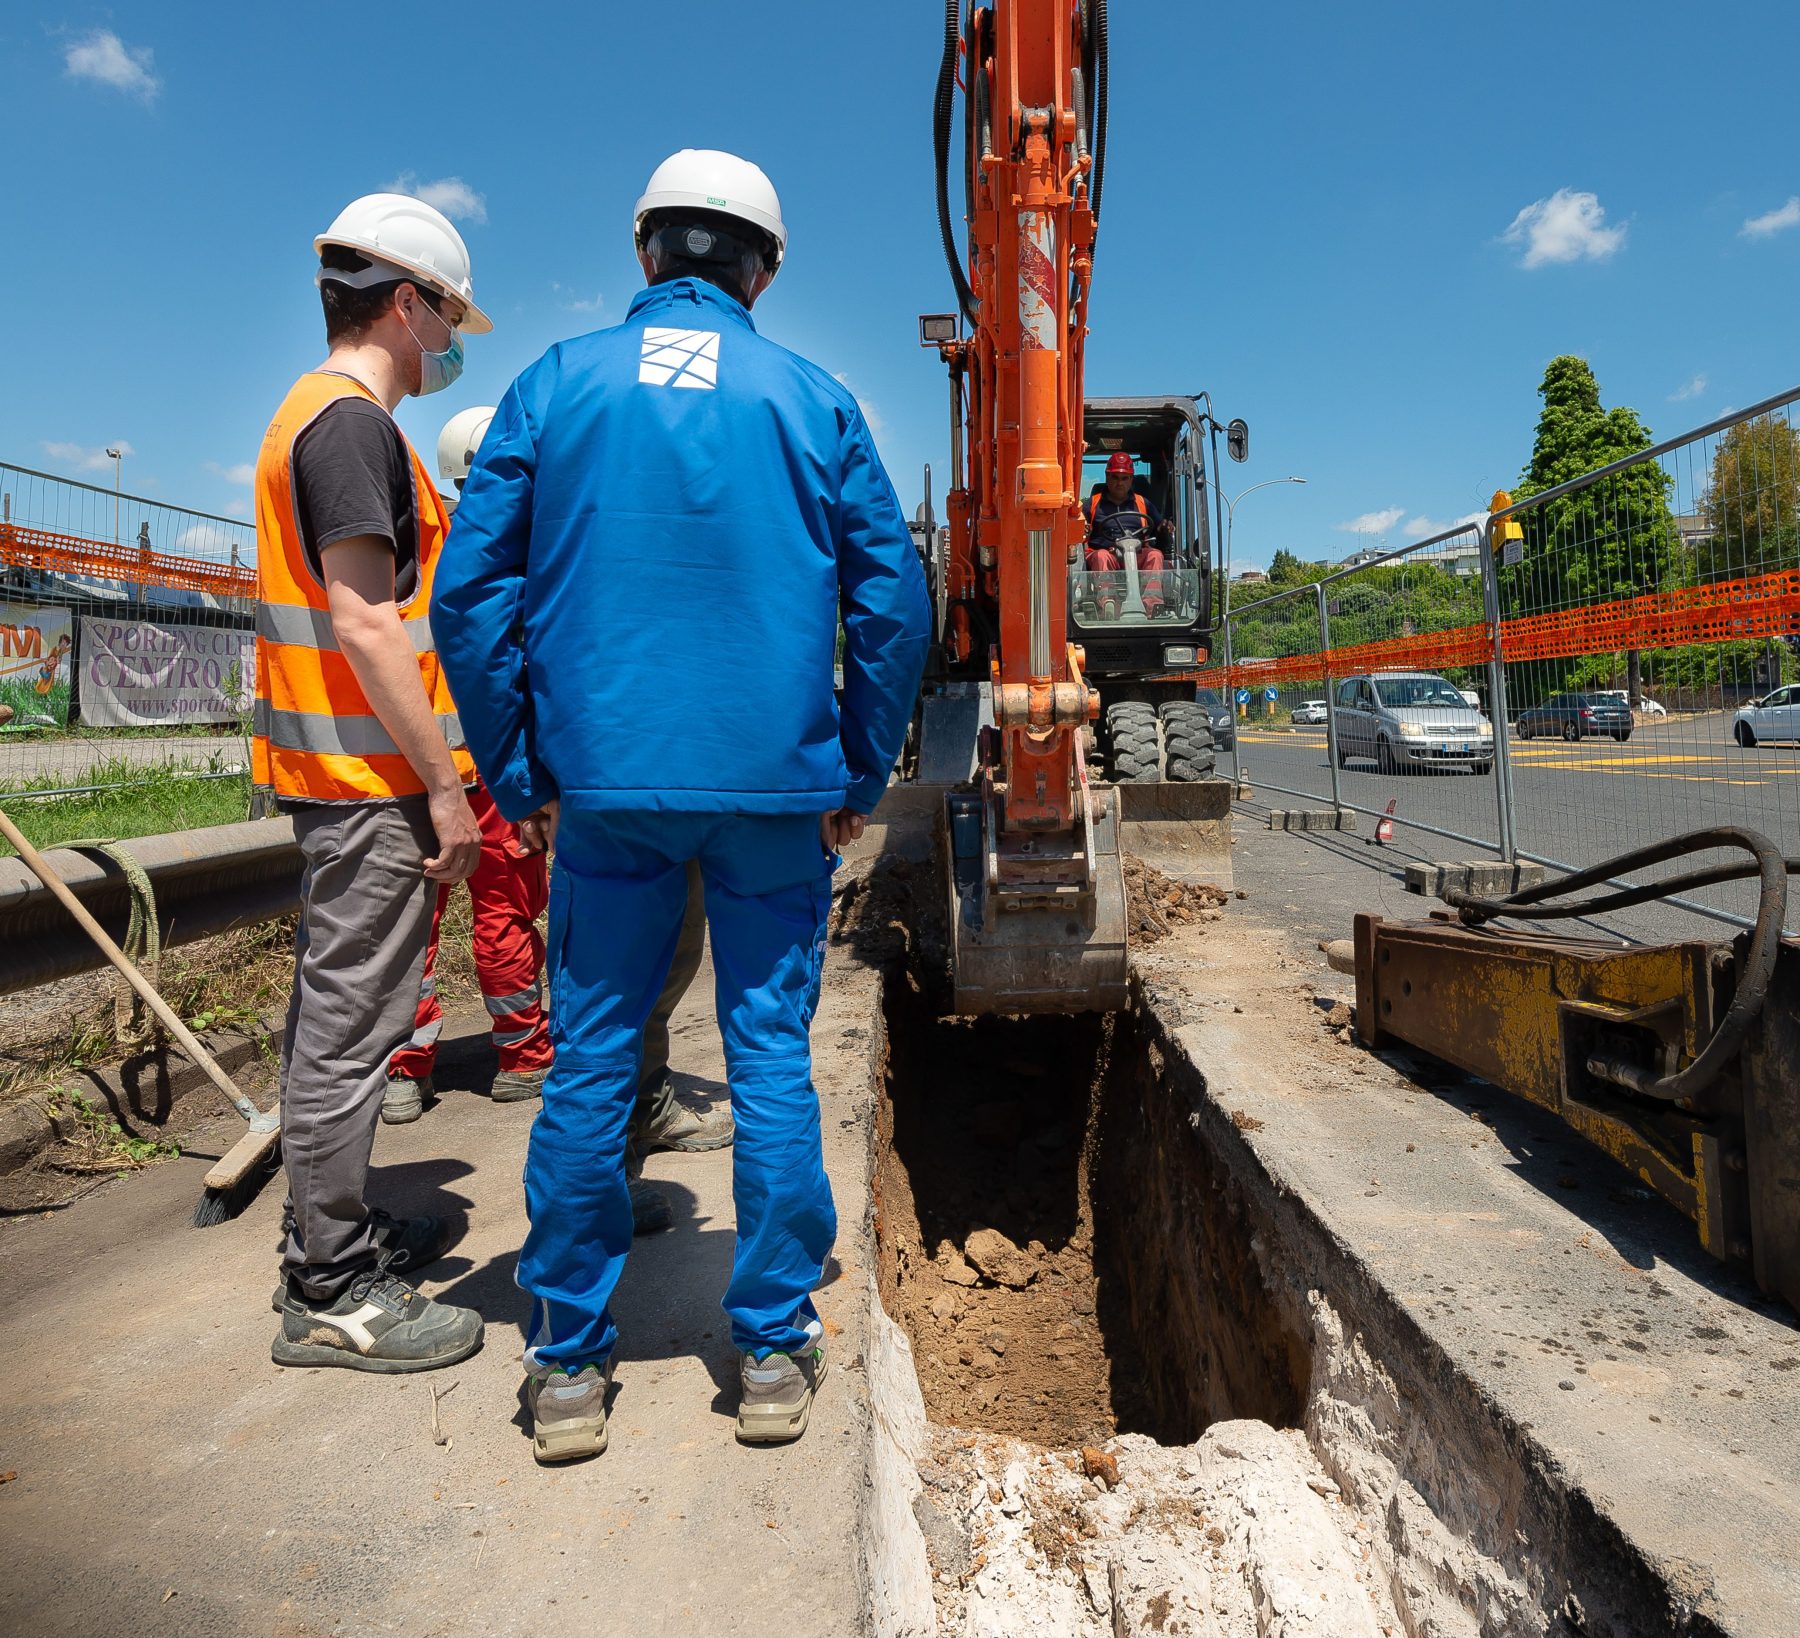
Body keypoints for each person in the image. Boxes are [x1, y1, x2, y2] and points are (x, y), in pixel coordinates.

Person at [434, 148, 930, 1461]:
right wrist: (860, 771)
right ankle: (770, 1346)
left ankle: (568, 1367)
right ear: (762, 269)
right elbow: (894, 603)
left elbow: (467, 600)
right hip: (775, 792)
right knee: (768, 1048)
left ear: (648, 252)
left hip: (606, 791)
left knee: (593, 1056)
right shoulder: (814, 402)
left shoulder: (552, 386)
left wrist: (521, 770)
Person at [387, 409, 733, 1243]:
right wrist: (524, 783)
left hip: (476, 774)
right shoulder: (518, 544)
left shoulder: (458, 536)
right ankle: (584, 1186)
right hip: (502, 778)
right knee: (591, 979)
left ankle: (444, 1078)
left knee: (467, 939)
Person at [254, 192, 492, 1374]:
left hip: (348, 773)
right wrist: (444, 785)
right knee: (351, 1029)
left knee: (340, 1018)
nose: (449, 343)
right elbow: (364, 617)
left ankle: (329, 1233)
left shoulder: (328, 417)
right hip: (366, 780)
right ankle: (330, 1288)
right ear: (407, 302)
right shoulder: (350, 426)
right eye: (447, 317)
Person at [1083, 451, 1172, 619]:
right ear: (1107, 478)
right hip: (1107, 554)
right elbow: (1078, 527)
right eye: (1115, 477)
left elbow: (1160, 525)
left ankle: (1152, 606)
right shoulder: (1093, 503)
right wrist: (1083, 528)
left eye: (1124, 478)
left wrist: (1165, 527)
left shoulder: (1142, 502)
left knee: (1155, 555)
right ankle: (1108, 606)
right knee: (1101, 556)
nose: (1119, 483)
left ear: (1131, 480)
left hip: (1136, 554)